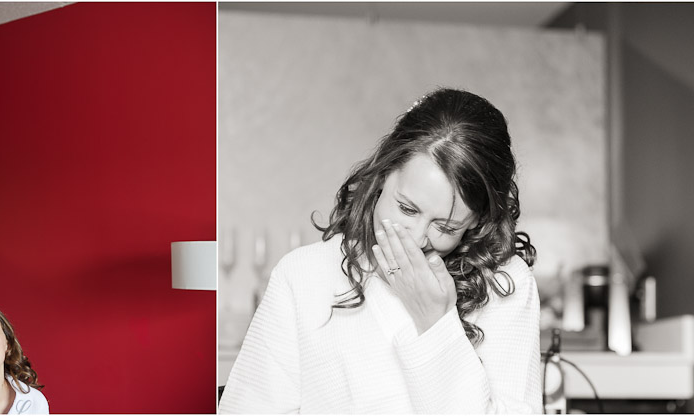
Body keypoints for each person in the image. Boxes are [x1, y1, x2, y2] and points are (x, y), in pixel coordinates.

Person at [219, 88, 542, 413]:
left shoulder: (506, 283)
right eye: (407, 208)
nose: (416, 240)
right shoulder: (302, 275)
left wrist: (435, 321)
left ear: (476, 221)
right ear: (384, 173)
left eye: (445, 228)